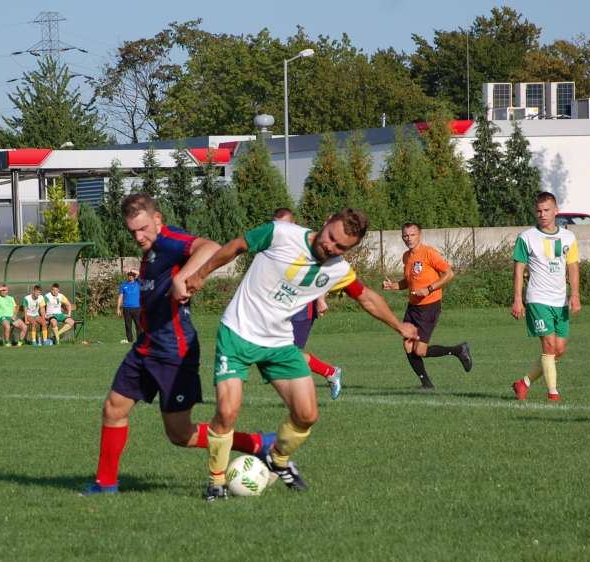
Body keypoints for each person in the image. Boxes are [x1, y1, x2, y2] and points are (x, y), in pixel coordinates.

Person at [179, 208, 419, 501]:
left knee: (307, 414)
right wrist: (201, 274)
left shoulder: (338, 270)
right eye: (331, 238)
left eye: (341, 247)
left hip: (279, 342)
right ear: (326, 220)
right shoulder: (280, 233)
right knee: (228, 411)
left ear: (350, 249)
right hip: (238, 332)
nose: (331, 247)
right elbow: (237, 245)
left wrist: (398, 325)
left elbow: (367, 297)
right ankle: (215, 482)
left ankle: (277, 460)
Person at [82, 194, 275, 496]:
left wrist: (185, 276)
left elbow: (209, 247)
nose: (139, 236)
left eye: (143, 228)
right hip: (146, 345)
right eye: (132, 231)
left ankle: (258, 443)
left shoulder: (170, 240)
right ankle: (105, 483)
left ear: (157, 219)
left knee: (180, 434)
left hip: (175, 350)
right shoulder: (152, 251)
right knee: (113, 409)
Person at [382, 223, 472, 391]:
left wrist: (429, 289)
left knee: (420, 351)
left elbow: (449, 274)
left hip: (429, 306)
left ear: (420, 235)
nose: (408, 238)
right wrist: (393, 286)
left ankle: (459, 350)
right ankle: (426, 384)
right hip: (413, 307)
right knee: (408, 345)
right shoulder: (406, 257)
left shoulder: (429, 253)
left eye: (412, 235)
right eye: (405, 236)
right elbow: (409, 282)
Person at [510, 191, 581, 402]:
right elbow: (518, 269)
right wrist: (517, 299)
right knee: (549, 345)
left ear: (556, 211)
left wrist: (575, 295)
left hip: (560, 301)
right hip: (537, 298)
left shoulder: (569, 237)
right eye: (539, 211)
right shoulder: (526, 237)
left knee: (559, 349)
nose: (542, 214)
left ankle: (524, 382)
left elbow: (573, 267)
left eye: (546, 210)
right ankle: (553, 394)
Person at [272, 207, 342, 400]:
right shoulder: (279, 243)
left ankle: (322, 378)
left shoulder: (311, 244)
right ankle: (327, 373)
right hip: (283, 305)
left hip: (302, 307)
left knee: (287, 353)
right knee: (281, 352)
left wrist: (321, 298)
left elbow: (325, 272)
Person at [117, 270, 142, 344]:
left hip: (137, 308)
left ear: (134, 276)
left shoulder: (138, 283)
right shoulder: (124, 284)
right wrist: (118, 308)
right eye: (129, 275)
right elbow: (120, 296)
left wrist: (132, 270)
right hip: (126, 308)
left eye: (132, 275)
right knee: (128, 326)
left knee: (139, 325)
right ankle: (130, 340)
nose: (130, 276)